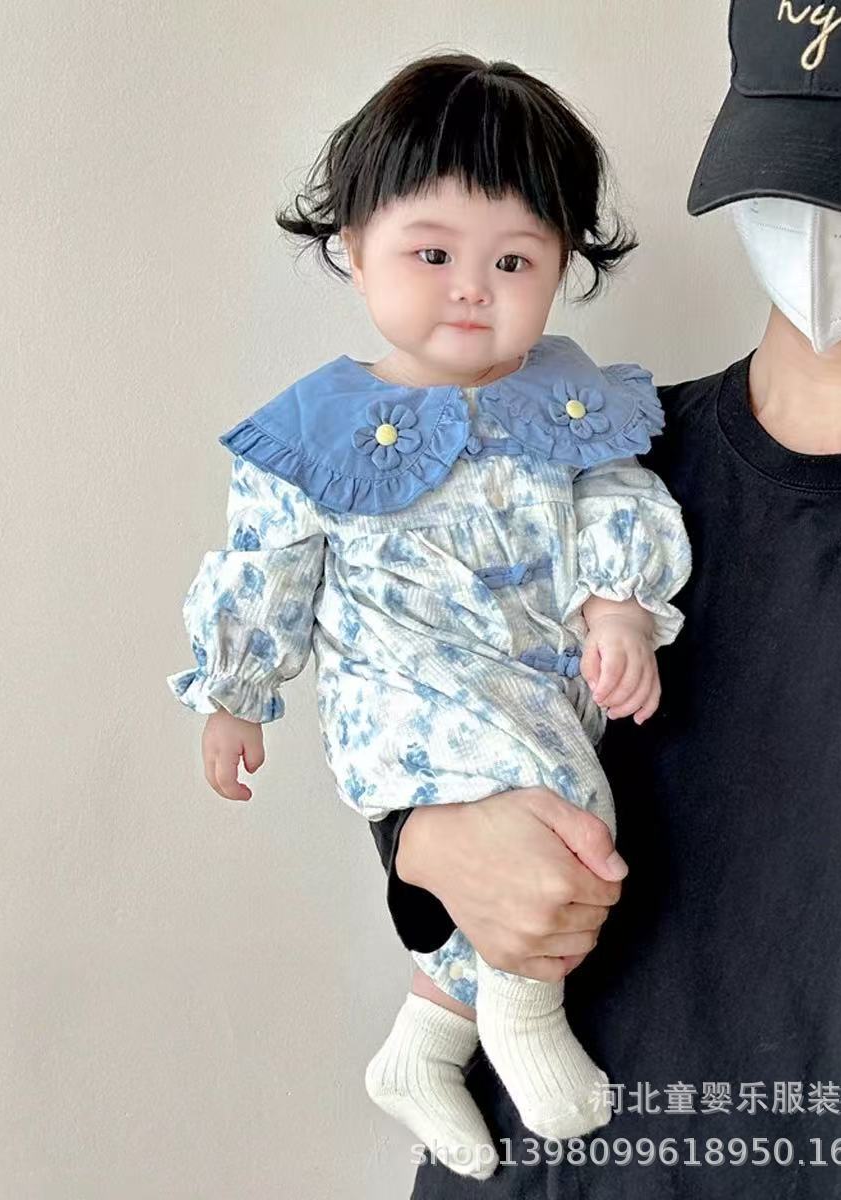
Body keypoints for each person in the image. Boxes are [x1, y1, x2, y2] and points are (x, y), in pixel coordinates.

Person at [368, 1, 841, 1195]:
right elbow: (412, 669)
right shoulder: (595, 461)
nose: (821, 224)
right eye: (795, 166)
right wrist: (419, 841)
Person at [165, 54, 692, 1181]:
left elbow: (618, 495)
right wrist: (233, 697)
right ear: (355, 248)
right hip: (402, 696)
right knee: (566, 818)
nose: (472, 289)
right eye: (433, 253)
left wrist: (619, 611)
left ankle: (421, 1045)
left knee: (531, 827)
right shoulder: (312, 428)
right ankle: (523, 1014)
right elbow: (265, 571)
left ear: (563, 267)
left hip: (537, 686)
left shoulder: (567, 393)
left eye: (515, 260)